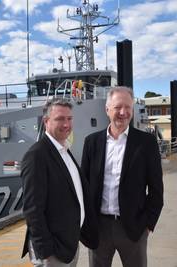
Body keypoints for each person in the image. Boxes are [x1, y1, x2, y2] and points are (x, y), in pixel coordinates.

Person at [81, 86, 164, 267]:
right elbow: (84, 186)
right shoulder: (91, 142)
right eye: (118, 107)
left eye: (128, 107)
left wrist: (148, 224)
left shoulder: (146, 143)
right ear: (107, 109)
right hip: (99, 228)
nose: (123, 112)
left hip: (134, 228)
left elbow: (156, 189)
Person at [21, 99, 93, 267]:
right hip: (53, 251)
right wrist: (46, 252)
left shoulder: (64, 151)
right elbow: (32, 210)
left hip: (69, 243)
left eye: (69, 118)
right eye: (60, 119)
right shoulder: (36, 156)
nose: (66, 124)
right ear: (46, 122)